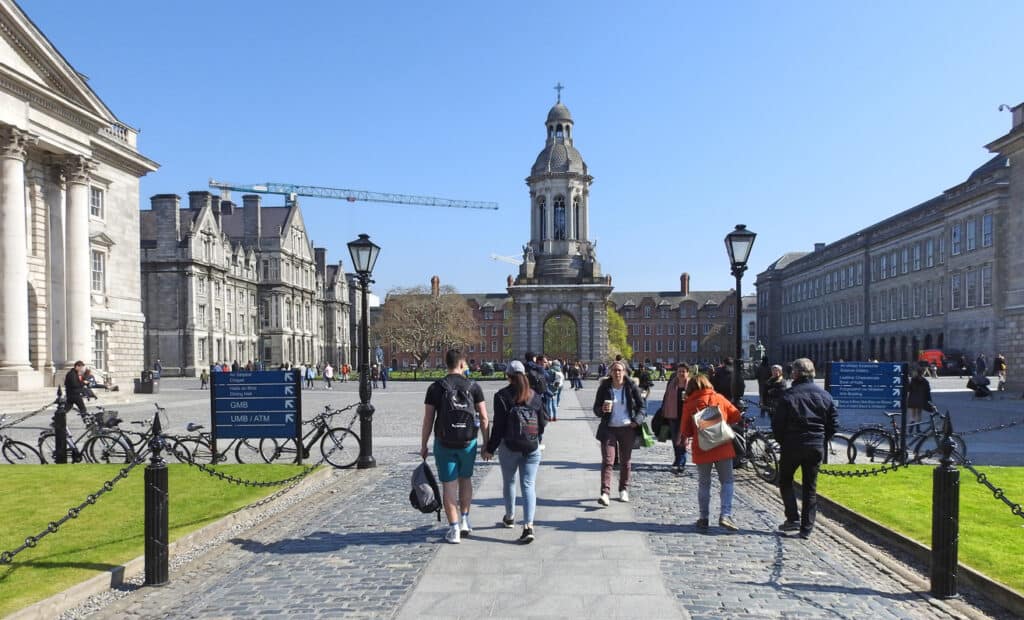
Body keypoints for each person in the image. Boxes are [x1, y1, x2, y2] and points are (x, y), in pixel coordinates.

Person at [420, 349, 489, 544]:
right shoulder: (474, 386)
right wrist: (486, 443)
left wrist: (424, 444)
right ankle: (465, 520)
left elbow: (428, 420)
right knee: (465, 480)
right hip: (468, 442)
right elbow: (484, 418)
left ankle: (454, 529)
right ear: (460, 364)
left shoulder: (435, 388)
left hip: (444, 442)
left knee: (449, 486)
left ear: (446, 363)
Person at [772, 358, 838, 539]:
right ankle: (806, 528)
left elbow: (777, 425)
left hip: (792, 444)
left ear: (795, 374)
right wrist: (822, 439)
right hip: (815, 445)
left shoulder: (788, 395)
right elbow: (833, 424)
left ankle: (792, 517)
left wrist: (783, 441)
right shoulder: (825, 395)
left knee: (785, 480)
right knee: (810, 487)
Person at [482, 360, 545, 544]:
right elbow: (542, 422)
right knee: (528, 485)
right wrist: (535, 438)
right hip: (532, 448)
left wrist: (489, 449)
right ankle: (528, 526)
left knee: (509, 482)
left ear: (507, 375)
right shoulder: (534, 395)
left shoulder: (502, 395)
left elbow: (499, 427)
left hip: (509, 446)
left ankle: (510, 517)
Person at [681, 373, 742, 531]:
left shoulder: (689, 404)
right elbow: (736, 415)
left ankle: (703, 517)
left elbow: (685, 431)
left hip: (702, 448)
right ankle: (725, 514)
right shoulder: (718, 398)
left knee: (704, 484)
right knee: (727, 481)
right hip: (722, 445)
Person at [592, 360, 646, 506]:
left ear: (624, 372)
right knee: (608, 461)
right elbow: (596, 408)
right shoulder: (604, 387)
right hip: (608, 428)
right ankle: (605, 493)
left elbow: (642, 407)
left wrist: (637, 420)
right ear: (610, 372)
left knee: (625, 461)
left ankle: (623, 489)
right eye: (614, 370)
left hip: (627, 428)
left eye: (619, 370)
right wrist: (601, 409)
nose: (617, 373)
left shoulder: (631, 387)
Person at [660, 363, 690, 474]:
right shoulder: (672, 383)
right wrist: (663, 410)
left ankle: (682, 462)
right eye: (679, 371)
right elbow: (666, 396)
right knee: (674, 439)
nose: (681, 373)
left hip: (686, 415)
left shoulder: (691, 384)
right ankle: (677, 458)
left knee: (683, 439)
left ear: (688, 373)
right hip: (673, 414)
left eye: (683, 371)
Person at [906, 367, 932, 431]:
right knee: (919, 414)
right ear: (923, 373)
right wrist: (929, 401)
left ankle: (910, 429)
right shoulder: (925, 381)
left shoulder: (913, 380)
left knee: (912, 415)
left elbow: (908, 389)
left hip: (912, 399)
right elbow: (928, 392)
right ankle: (918, 429)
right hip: (921, 399)